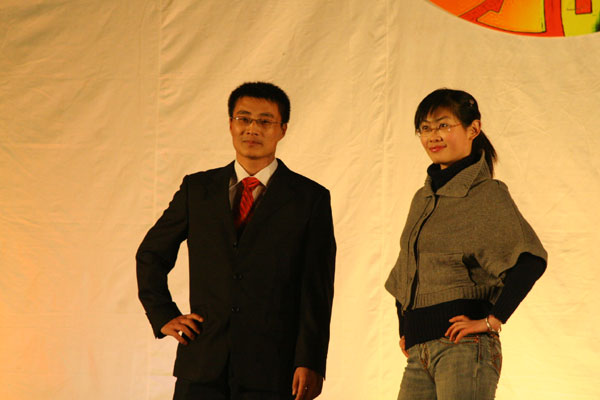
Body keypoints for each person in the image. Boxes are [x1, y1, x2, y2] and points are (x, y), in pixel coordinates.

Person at [136, 82, 336, 400]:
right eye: (244, 118)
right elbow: (151, 254)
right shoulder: (197, 190)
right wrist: (163, 314)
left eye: (265, 121)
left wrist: (310, 360)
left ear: (282, 129)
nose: (252, 128)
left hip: (274, 367)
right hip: (202, 362)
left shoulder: (309, 198)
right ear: (231, 124)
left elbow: (317, 288)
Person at [385, 88, 547, 400]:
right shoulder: (423, 199)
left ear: (473, 129)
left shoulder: (486, 194)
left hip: (463, 350)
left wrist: (492, 320)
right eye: (425, 128)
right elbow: (407, 266)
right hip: (419, 354)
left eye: (444, 125)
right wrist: (406, 327)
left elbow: (530, 260)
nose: (433, 136)